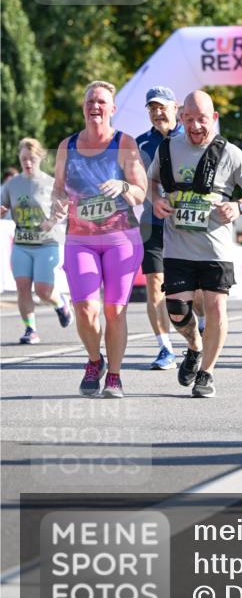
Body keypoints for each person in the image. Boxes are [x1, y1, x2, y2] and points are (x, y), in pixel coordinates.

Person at [149, 90, 242, 398]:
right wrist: (156, 199)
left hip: (216, 249)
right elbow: (152, 182)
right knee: (176, 311)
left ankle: (206, 373)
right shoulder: (168, 148)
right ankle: (194, 345)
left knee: (215, 308)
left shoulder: (229, 152)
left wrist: (239, 206)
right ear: (181, 118)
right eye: (189, 119)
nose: (195, 126)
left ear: (213, 117)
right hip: (178, 246)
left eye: (201, 119)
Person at [51, 81, 147, 397]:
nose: (95, 106)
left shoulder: (124, 143)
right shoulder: (67, 146)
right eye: (90, 101)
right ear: (83, 107)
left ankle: (115, 376)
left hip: (121, 238)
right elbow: (58, 189)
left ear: (112, 109)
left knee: (114, 311)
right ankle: (95, 361)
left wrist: (123, 187)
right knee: (85, 309)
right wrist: (57, 203)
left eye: (101, 101)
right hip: (81, 239)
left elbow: (141, 191)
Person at [0, 138, 71, 344]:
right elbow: (4, 205)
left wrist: (53, 220)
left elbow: (65, 209)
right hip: (21, 244)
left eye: (31, 158)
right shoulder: (12, 184)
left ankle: (60, 304)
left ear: (40, 158)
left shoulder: (51, 183)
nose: (28, 163)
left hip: (46, 244)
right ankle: (30, 329)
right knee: (23, 287)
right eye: (24, 159)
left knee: (43, 290)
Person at [136, 86, 183, 369]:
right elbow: (138, 182)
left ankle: (200, 328)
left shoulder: (191, 136)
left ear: (175, 107)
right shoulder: (140, 143)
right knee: (155, 282)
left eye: (162, 107)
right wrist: (154, 199)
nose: (157, 113)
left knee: (193, 290)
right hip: (152, 222)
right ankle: (165, 348)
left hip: (187, 224)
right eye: (152, 108)